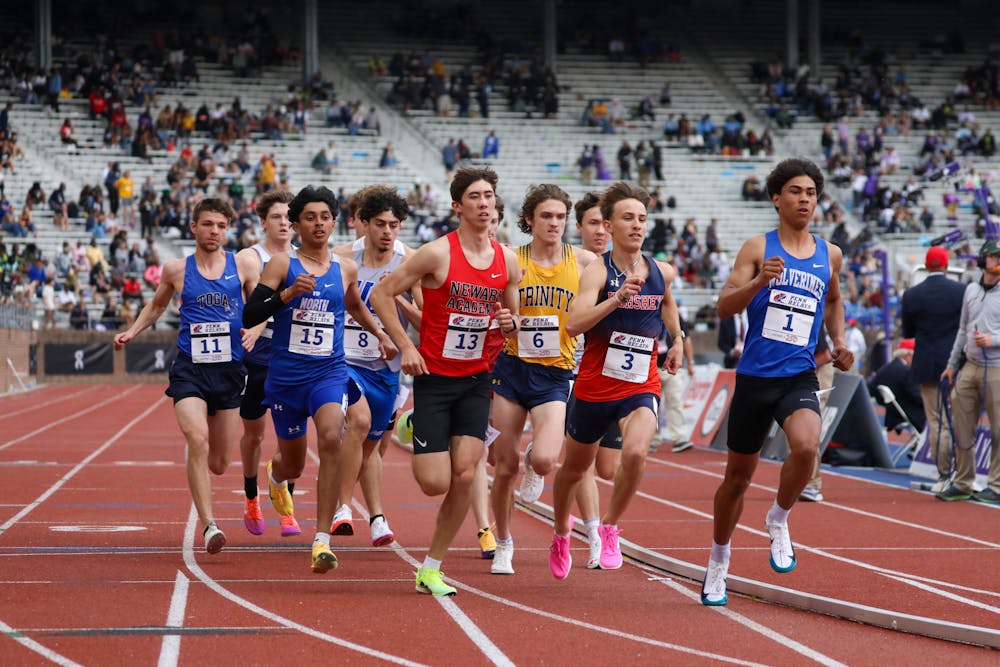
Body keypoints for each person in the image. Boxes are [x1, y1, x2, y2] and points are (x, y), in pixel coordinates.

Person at [701, 158, 853, 606]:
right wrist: (758, 283)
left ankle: (778, 518)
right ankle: (718, 560)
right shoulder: (756, 248)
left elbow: (835, 301)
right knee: (736, 481)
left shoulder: (831, 254)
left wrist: (840, 341)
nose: (805, 199)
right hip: (755, 377)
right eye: (795, 191)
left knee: (807, 447)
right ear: (776, 198)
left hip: (799, 374)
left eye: (811, 192)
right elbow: (724, 306)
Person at [370, 167, 519, 596]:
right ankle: (413, 424)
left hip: (476, 379)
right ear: (457, 205)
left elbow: (513, 323)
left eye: (489, 195)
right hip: (433, 378)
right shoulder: (436, 254)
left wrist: (510, 323)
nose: (485, 203)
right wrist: (407, 347)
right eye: (474, 196)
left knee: (467, 473)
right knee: (435, 481)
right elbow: (381, 294)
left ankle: (431, 566)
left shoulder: (506, 259)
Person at [242, 185, 396, 574]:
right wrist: (289, 293)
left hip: (328, 371)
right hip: (287, 377)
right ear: (295, 224)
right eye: (309, 217)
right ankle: (276, 476)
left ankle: (322, 540)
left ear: (334, 221)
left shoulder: (345, 268)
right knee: (293, 465)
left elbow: (355, 304)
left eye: (325, 217)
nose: (318, 224)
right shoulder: (281, 264)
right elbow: (249, 315)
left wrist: (380, 335)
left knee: (331, 438)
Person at [548, 181, 683, 579]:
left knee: (637, 454)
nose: (637, 226)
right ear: (609, 224)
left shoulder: (661, 271)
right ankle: (560, 533)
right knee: (573, 470)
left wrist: (677, 340)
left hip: (640, 384)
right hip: (593, 387)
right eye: (628, 218)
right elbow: (573, 325)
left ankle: (609, 528)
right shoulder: (596, 271)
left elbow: (667, 304)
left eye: (642, 218)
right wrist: (616, 299)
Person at [114, 198, 258, 554]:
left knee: (220, 464)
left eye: (221, 226)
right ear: (194, 227)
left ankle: (200, 456)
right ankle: (209, 525)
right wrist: (133, 331)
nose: (214, 231)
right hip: (190, 369)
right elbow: (158, 305)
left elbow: (261, 307)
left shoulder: (241, 266)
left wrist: (258, 328)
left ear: (228, 229)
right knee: (197, 439)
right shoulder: (177, 269)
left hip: (229, 371)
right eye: (208, 224)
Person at [488, 184, 597, 576]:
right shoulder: (511, 260)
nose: (554, 223)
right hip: (512, 369)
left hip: (555, 374)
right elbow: (495, 307)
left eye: (560, 217)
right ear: (530, 220)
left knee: (547, 458)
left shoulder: (584, 262)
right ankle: (503, 543)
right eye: (546, 216)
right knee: (503, 467)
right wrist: (505, 322)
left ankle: (535, 463)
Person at [331, 188, 422, 548]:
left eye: (394, 225)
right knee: (360, 423)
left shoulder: (411, 262)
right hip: (342, 360)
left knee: (371, 448)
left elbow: (425, 319)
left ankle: (377, 516)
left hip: (386, 368)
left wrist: (395, 295)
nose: (387, 231)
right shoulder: (340, 259)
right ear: (363, 223)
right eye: (380, 224)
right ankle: (341, 509)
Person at [235, 189, 298, 538]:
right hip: (257, 356)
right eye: (277, 217)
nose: (285, 223)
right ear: (263, 222)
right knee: (254, 434)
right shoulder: (248, 258)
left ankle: (285, 498)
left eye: (290, 217)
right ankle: (251, 496)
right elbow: (240, 306)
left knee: (292, 433)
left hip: (293, 353)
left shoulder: (305, 259)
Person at [571, 191, 623, 569]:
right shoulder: (570, 264)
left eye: (606, 224)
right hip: (570, 372)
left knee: (609, 468)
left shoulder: (629, 268)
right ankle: (594, 536)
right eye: (593, 223)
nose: (601, 231)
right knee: (584, 465)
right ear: (581, 227)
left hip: (616, 375)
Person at [939, 239, 1000, 504]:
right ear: (983, 258)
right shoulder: (972, 290)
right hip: (970, 365)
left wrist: (994, 339)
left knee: (999, 430)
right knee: (962, 424)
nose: (999, 260)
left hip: (997, 367)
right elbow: (963, 329)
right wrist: (952, 365)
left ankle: (996, 485)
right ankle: (963, 481)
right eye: (995, 256)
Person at [901, 245, 966, 492]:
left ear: (927, 266)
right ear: (947, 265)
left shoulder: (912, 294)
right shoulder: (961, 291)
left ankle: (943, 476)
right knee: (962, 417)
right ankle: (964, 475)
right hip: (957, 362)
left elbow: (908, 332)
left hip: (927, 362)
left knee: (936, 420)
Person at [869, 338, 925, 431]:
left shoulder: (884, 369)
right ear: (908, 355)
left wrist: (886, 403)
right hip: (910, 414)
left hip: (892, 414)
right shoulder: (906, 371)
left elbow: (872, 388)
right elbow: (916, 396)